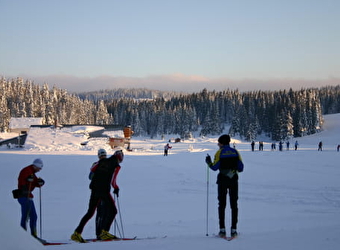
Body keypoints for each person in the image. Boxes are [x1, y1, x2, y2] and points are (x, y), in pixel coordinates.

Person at [71, 149, 123, 243]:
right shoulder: (116, 166)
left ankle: (77, 233)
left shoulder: (100, 162)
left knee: (90, 212)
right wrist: (116, 188)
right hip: (104, 191)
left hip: (94, 189)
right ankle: (104, 232)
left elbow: (92, 171)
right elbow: (113, 180)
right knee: (113, 211)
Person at [205, 134, 244, 238]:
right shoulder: (235, 152)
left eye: (219, 143)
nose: (218, 144)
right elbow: (241, 168)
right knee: (234, 205)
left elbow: (214, 167)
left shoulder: (219, 152)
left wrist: (208, 162)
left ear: (222, 143)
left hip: (222, 180)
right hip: (234, 180)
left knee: (222, 205)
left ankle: (222, 230)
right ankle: (234, 230)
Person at [17, 158, 45, 238]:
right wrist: (27, 185)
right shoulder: (27, 171)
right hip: (24, 197)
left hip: (27, 196)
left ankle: (32, 236)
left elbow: (35, 182)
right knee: (27, 217)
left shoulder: (31, 171)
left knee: (32, 216)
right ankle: (24, 237)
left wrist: (40, 182)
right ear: (35, 166)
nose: (39, 170)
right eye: (39, 168)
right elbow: (22, 182)